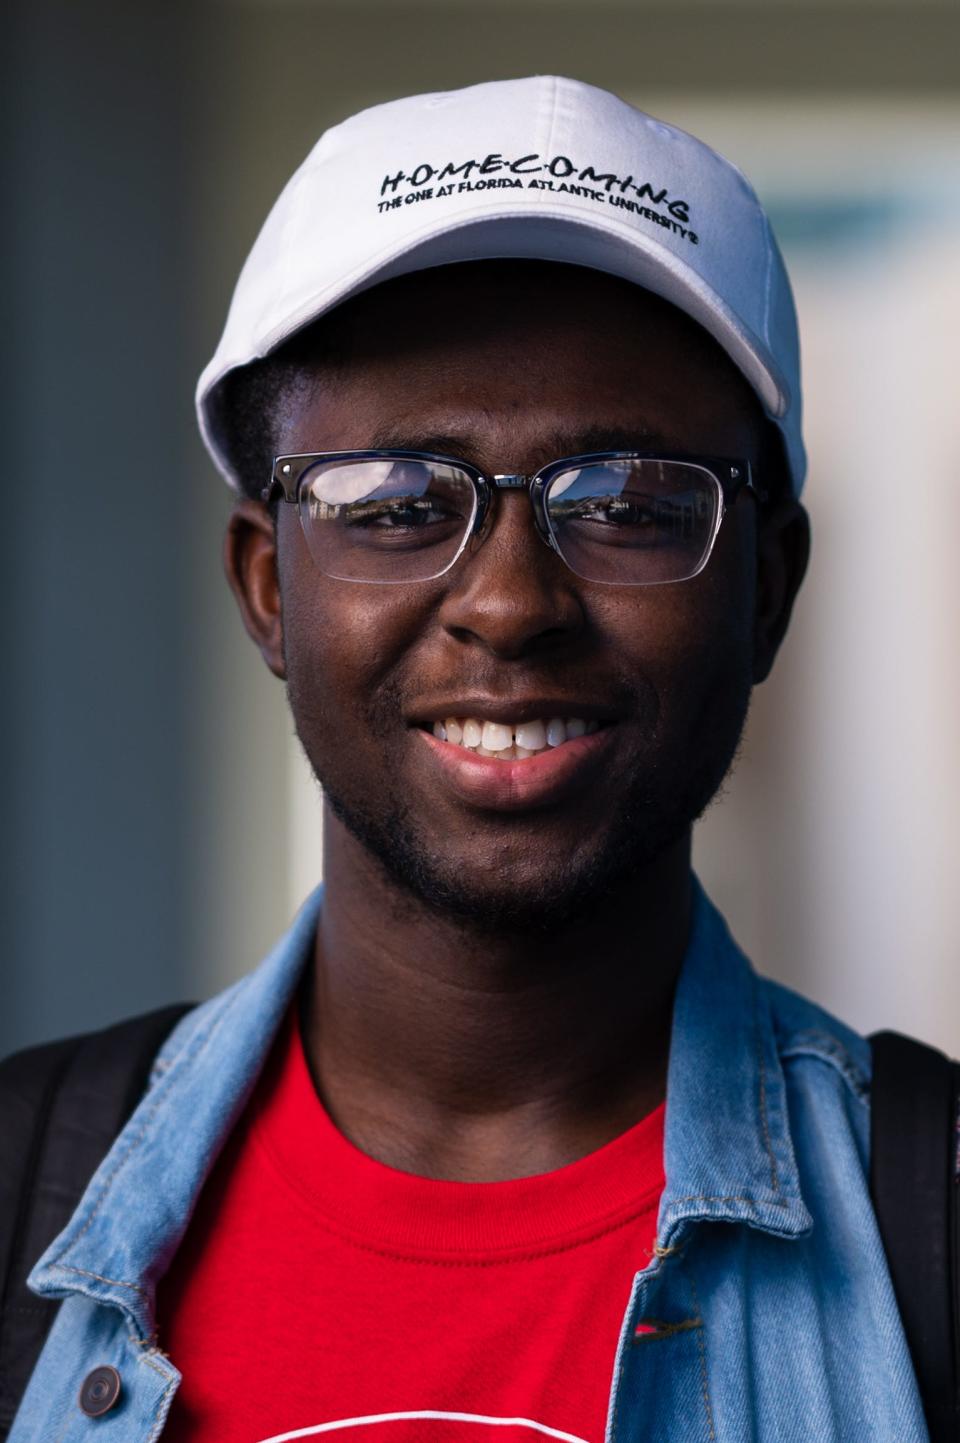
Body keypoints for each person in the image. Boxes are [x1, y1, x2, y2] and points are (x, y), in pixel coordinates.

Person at [7, 76, 930, 1442]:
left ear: (767, 593)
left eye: (624, 502)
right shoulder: (16, 1186)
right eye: (392, 503)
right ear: (269, 588)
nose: (508, 601)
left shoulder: (936, 1232)